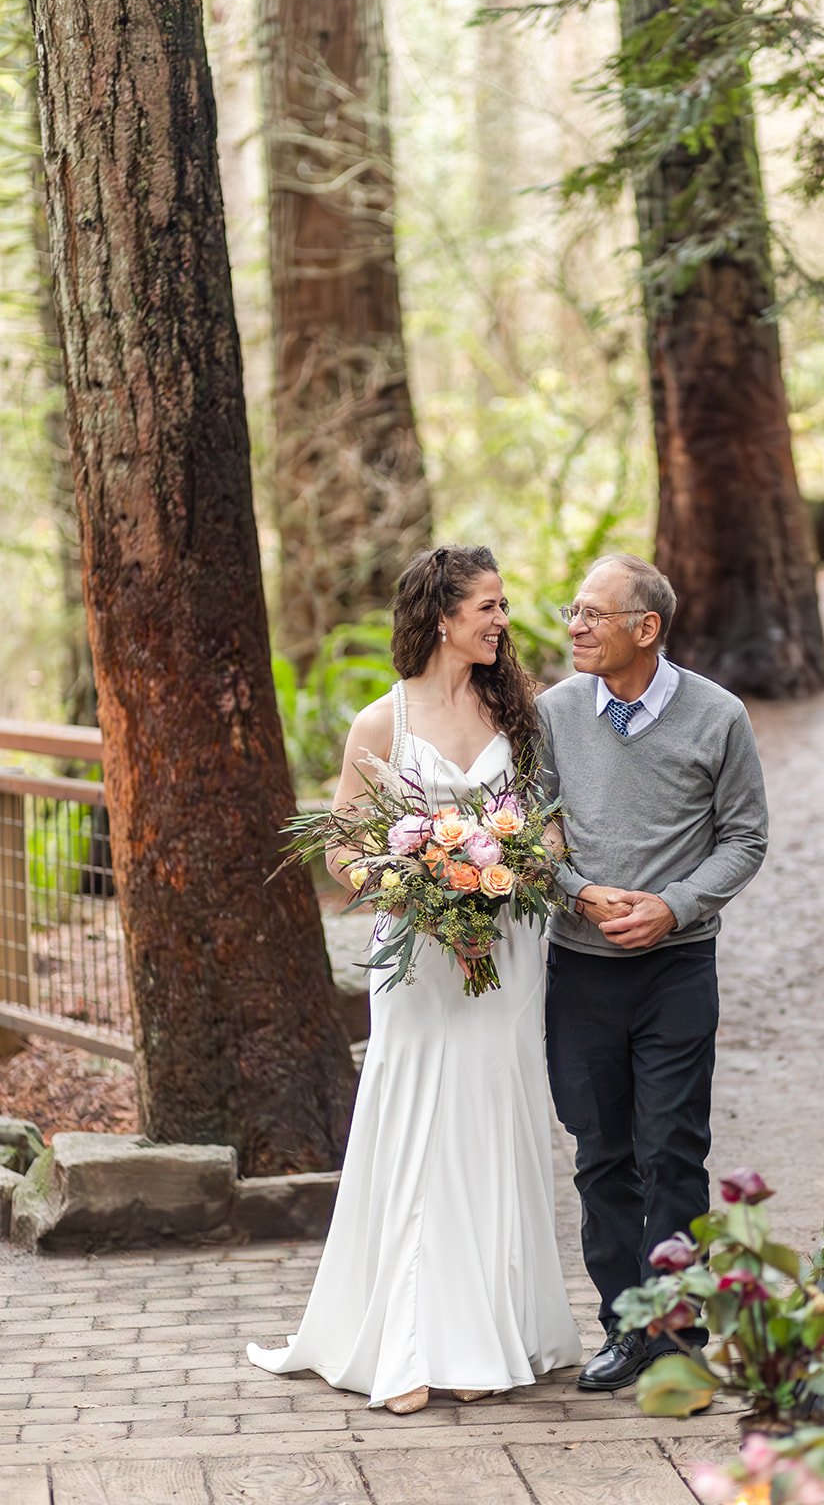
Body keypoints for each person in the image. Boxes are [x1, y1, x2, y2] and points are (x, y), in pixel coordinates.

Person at [247, 545, 581, 1413]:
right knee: (422, 1117)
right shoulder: (380, 725)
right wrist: (416, 890)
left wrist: (510, 873)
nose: (502, 621)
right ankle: (409, 1345)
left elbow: (547, 833)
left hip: (506, 950)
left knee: (493, 1118)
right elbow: (344, 845)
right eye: (488, 607)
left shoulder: (519, 714)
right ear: (440, 616)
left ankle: (487, 1335)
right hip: (420, 956)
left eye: (503, 607)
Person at [536, 553, 768, 1392]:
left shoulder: (718, 716)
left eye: (594, 613)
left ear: (646, 628)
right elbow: (531, 831)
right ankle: (622, 1326)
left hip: (677, 968)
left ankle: (675, 1335)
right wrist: (580, 892)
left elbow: (745, 837)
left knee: (671, 1149)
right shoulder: (553, 712)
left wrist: (672, 906)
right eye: (573, 610)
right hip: (580, 970)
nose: (575, 626)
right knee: (600, 1153)